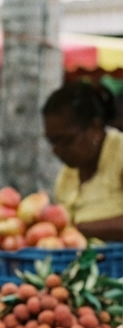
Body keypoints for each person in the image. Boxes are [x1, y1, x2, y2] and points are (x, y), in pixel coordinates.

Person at [44, 82, 123, 242]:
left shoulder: (119, 154)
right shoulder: (67, 175)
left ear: (94, 127)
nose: (56, 150)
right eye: (52, 142)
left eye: (66, 140)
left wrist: (78, 229)